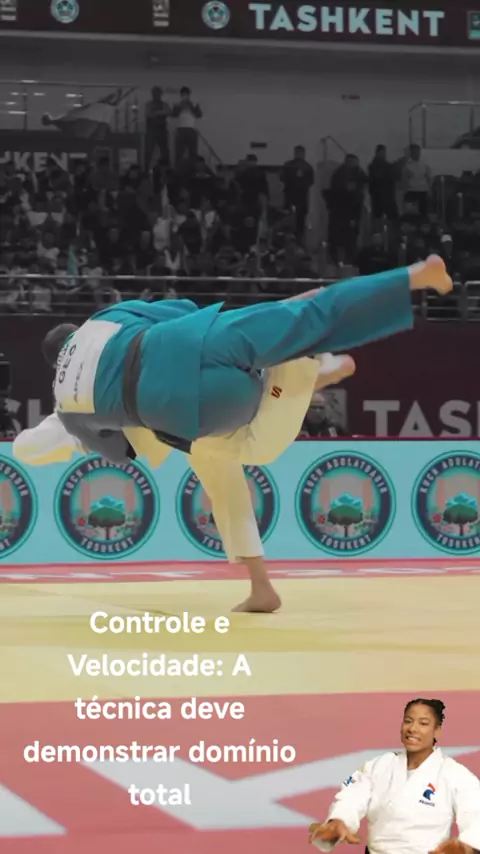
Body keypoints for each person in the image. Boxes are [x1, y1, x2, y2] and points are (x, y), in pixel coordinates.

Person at [14, 350, 354, 614]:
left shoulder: (82, 389)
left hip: (171, 419)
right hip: (182, 415)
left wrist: (80, 435)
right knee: (231, 483)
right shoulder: (98, 369)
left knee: (236, 470)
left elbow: (27, 448)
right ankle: (261, 587)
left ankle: (296, 373)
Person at [44, 255, 452, 470]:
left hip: (179, 406)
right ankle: (415, 275)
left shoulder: (66, 408)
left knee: (240, 438)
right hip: (182, 342)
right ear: (76, 330)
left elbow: (122, 453)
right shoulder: (103, 320)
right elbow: (182, 311)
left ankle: (299, 377)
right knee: (309, 315)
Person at [308, 698, 480, 854]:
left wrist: (465, 846)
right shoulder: (378, 766)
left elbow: (475, 814)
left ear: (437, 731)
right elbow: (352, 797)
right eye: (408, 721)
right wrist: (339, 820)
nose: (412, 729)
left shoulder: (455, 774)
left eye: (423, 723)